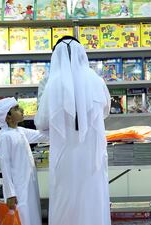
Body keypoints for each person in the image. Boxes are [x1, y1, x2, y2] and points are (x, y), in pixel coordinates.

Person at [34, 36, 111, 225]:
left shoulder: (52, 83)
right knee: (92, 198)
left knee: (65, 201)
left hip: (66, 156)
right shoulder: (96, 80)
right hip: (91, 154)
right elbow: (106, 111)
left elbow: (41, 122)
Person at [0, 97, 48, 225]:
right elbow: (5, 168)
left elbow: (42, 136)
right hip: (18, 188)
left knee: (32, 214)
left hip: (28, 184)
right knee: (22, 217)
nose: (22, 110)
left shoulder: (19, 131)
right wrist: (10, 194)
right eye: (16, 109)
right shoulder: (5, 137)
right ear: (8, 117)